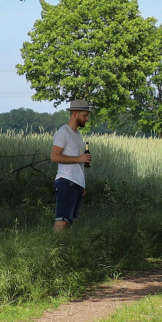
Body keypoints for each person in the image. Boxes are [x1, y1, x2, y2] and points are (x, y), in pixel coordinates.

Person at [51, 99, 91, 232]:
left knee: (70, 222)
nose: (87, 119)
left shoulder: (77, 135)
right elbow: (54, 156)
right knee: (62, 221)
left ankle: (64, 249)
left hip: (76, 184)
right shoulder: (63, 132)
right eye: (85, 115)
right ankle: (53, 249)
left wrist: (82, 184)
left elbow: (78, 162)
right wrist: (79, 158)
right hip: (66, 182)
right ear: (75, 114)